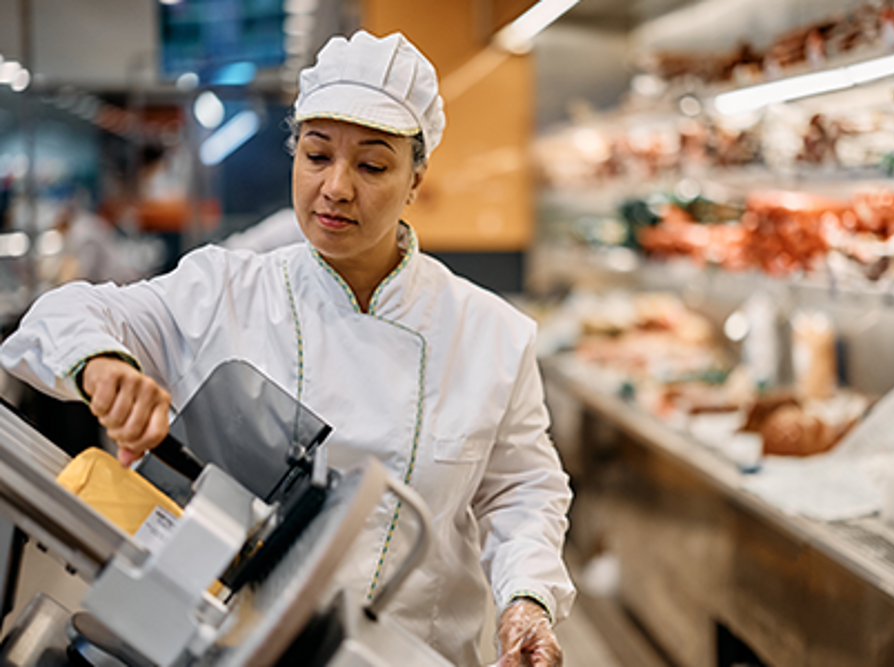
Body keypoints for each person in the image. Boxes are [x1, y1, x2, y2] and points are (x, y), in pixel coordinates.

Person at [0, 30, 574, 666]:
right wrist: (103, 364)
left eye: (373, 165)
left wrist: (527, 598)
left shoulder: (490, 332)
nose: (336, 187)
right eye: (316, 154)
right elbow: (62, 312)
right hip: (236, 650)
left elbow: (521, 490)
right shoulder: (224, 289)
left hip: (416, 653)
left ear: (417, 175)